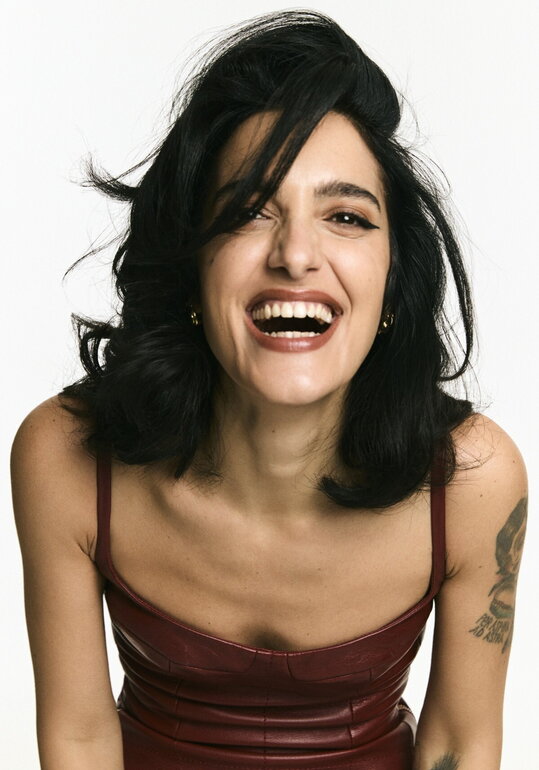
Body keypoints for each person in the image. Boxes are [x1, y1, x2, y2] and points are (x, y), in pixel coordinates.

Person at [10, 9, 527, 770]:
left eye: (345, 216)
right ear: (192, 265)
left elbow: (460, 744)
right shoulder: (65, 458)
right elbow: (79, 740)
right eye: (249, 211)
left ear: (393, 282)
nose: (296, 254)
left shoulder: (473, 480)